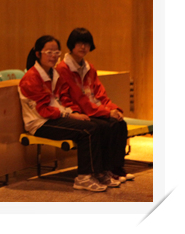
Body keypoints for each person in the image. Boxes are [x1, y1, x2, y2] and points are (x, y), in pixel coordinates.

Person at [18, 35, 115, 192]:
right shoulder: (31, 78)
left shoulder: (55, 74)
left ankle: (99, 171)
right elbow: (43, 110)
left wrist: (73, 111)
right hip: (40, 123)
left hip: (56, 116)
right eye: (49, 52)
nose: (53, 56)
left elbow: (63, 99)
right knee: (88, 130)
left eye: (56, 52)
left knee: (101, 125)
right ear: (38, 54)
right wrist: (70, 115)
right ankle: (83, 177)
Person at [57, 27, 134, 182]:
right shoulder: (63, 68)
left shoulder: (89, 67)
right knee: (105, 126)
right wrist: (106, 113)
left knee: (120, 123)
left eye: (86, 43)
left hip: (92, 108)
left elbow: (100, 93)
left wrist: (113, 108)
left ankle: (116, 168)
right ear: (71, 44)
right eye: (79, 43)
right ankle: (103, 170)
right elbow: (79, 98)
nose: (83, 47)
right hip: (78, 111)